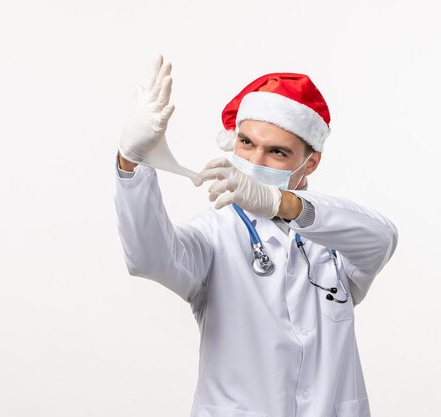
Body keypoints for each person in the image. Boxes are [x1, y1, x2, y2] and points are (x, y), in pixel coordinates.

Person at [114, 55, 398, 417]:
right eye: (246, 143)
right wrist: (131, 160)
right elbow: (148, 257)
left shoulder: (333, 238)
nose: (256, 161)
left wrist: (280, 203)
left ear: (311, 162)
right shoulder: (215, 234)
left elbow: (382, 237)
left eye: (277, 151)